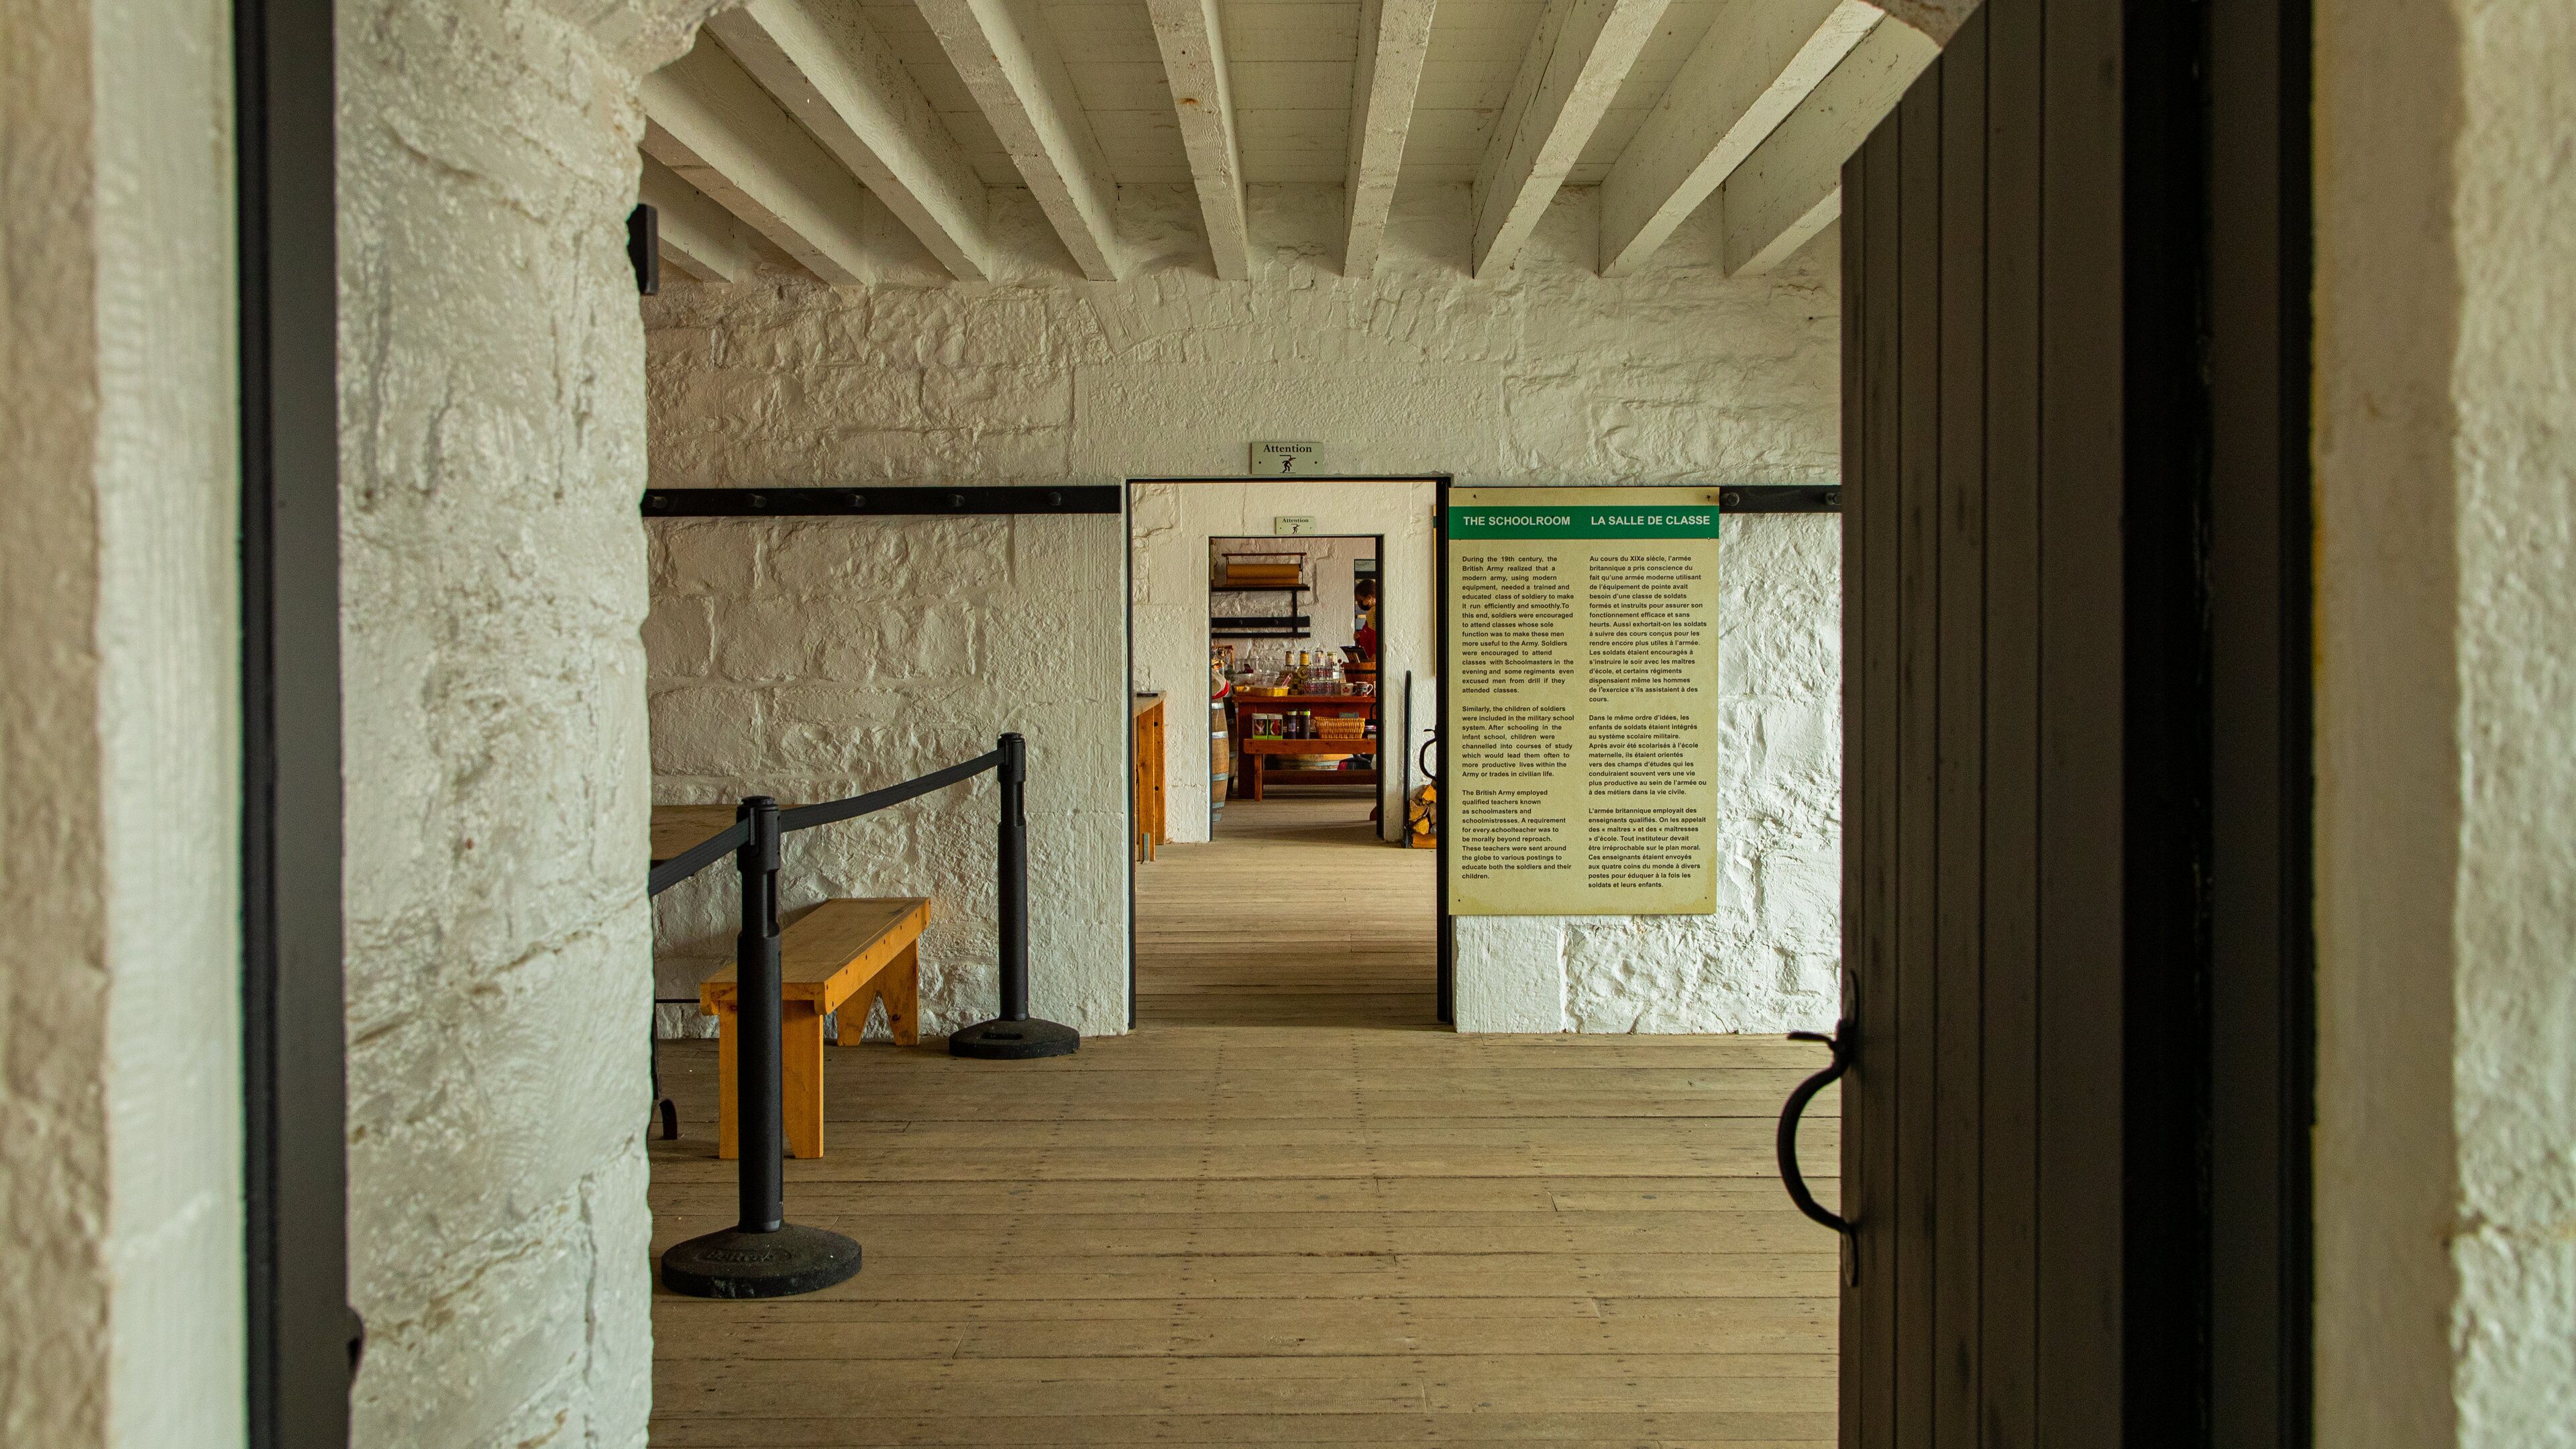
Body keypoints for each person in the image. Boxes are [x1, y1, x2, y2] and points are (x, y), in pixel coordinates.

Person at [1351, 576, 1379, 660]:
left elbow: (1375, 638)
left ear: (1369, 597)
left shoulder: (1374, 614)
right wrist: (1360, 636)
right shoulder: (1372, 614)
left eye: (1361, 600)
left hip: (1372, 662)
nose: (1360, 603)